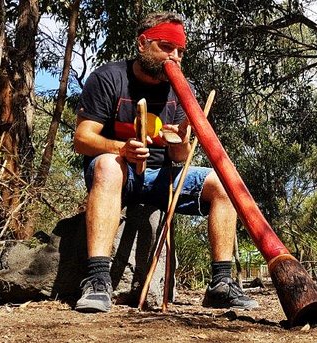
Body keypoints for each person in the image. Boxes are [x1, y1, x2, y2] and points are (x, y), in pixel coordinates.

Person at [73, 11, 258, 313]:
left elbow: (181, 158)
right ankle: (97, 280)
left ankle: (221, 285)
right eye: (166, 47)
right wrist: (123, 149)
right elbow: (82, 138)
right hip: (119, 174)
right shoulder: (109, 77)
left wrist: (181, 140)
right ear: (142, 43)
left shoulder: (182, 89)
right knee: (107, 164)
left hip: (163, 177)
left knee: (224, 181)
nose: (175, 57)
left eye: (180, 51)